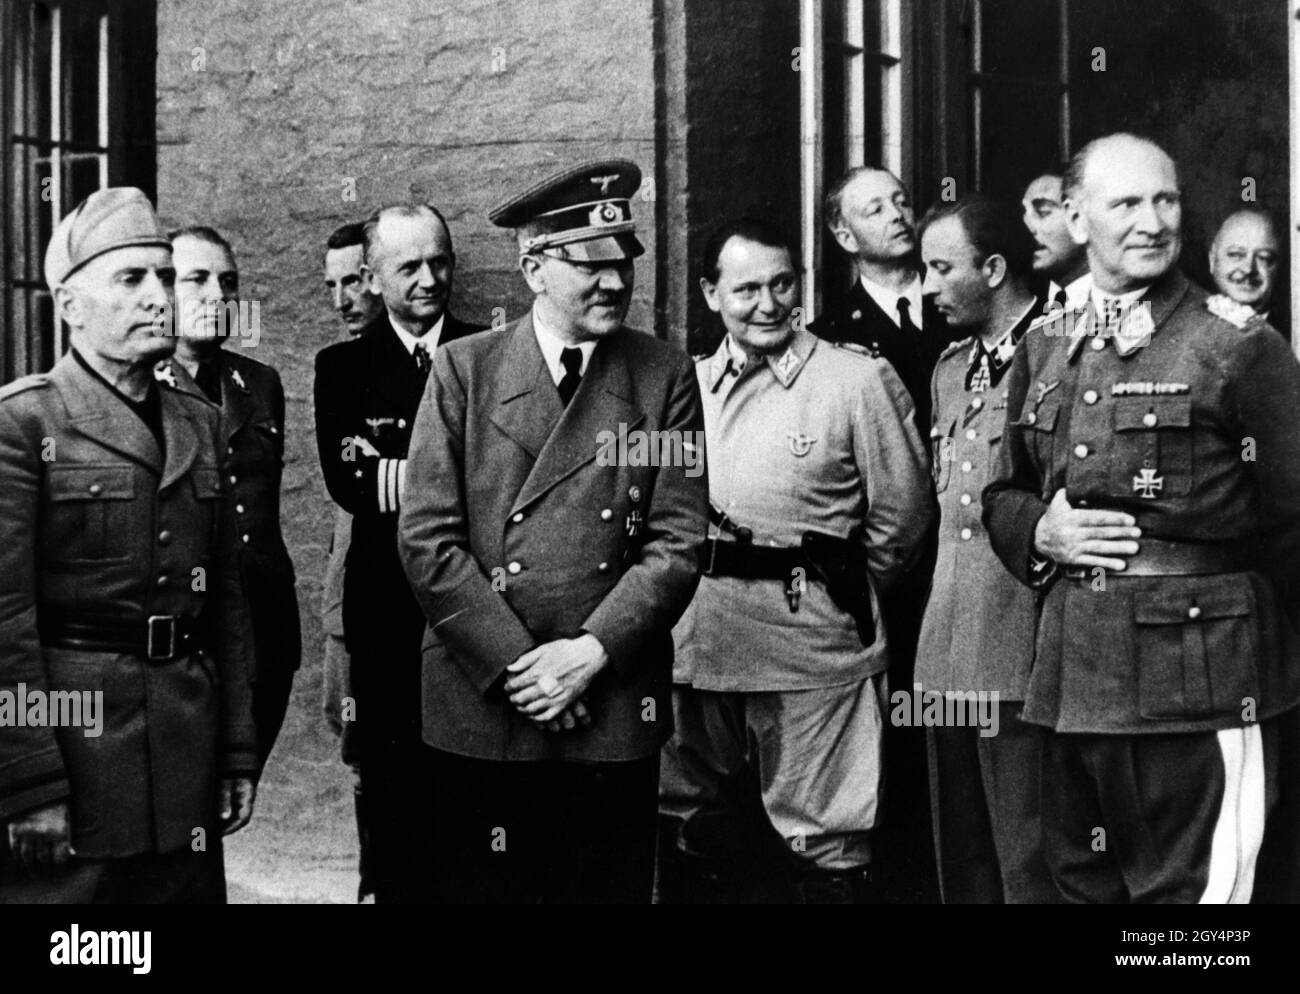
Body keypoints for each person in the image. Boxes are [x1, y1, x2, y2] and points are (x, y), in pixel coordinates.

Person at [983, 133, 1300, 903]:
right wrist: (1042, 533)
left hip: (1202, 682)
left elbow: (1294, 519)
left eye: (1166, 200)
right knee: (1081, 888)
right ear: (1076, 217)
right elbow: (1004, 495)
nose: (1152, 221)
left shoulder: (1237, 345)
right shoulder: (1048, 343)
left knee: (1198, 921)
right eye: (1127, 202)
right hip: (1072, 684)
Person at [398, 159, 708, 904]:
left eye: (623, 263)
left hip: (607, 702)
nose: (614, 283)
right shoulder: (462, 372)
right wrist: (522, 668)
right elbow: (427, 541)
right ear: (534, 269)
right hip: (484, 700)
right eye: (589, 265)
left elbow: (677, 540)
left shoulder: (661, 377)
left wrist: (588, 655)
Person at [0, 187, 258, 903]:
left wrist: (237, 750)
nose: (160, 297)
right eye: (131, 279)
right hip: (77, 756)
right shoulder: (25, 423)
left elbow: (228, 606)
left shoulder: (199, 420)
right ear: (71, 305)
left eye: (165, 277)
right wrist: (27, 782)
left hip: (184, 747)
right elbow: (5, 622)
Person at [664, 218, 931, 904]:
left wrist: (831, 594)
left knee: (826, 839)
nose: (768, 303)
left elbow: (902, 520)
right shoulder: (686, 385)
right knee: (695, 823)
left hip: (813, 650)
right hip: (700, 647)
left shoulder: (855, 380)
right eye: (747, 288)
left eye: (783, 284)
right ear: (710, 294)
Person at [313, 203, 484, 903]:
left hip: (477, 606)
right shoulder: (344, 367)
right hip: (385, 611)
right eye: (408, 266)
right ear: (374, 278)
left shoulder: (488, 353)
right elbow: (353, 482)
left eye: (438, 261)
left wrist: (412, 473)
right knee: (389, 788)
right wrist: (466, 478)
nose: (428, 278)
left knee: (473, 786)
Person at [811, 165, 951, 902]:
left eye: (902, 199)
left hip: (966, 565)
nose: (899, 214)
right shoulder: (829, 338)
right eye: (876, 208)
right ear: (843, 234)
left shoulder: (961, 308)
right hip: (887, 580)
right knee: (889, 750)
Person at [915, 195, 1054, 903]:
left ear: (994, 268)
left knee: (1029, 862)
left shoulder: (1061, 353)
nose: (928, 287)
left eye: (942, 268)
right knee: (963, 864)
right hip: (946, 655)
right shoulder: (949, 368)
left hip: (1023, 656)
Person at [156, 225, 301, 767]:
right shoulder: (142, 387)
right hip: (188, 623)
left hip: (264, 623)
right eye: (197, 280)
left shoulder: (259, 383)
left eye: (228, 282)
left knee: (241, 779)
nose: (218, 296)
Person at [319, 221, 379, 900]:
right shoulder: (339, 370)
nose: (343, 298)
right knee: (362, 751)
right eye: (331, 285)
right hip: (355, 597)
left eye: (355, 279)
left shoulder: (457, 357)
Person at [1207, 208, 1284, 334]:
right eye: (1236, 254)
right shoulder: (1189, 324)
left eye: (1263, 258)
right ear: (1212, 260)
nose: (1248, 269)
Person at [1022, 169, 1089, 306]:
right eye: (1025, 216)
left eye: (1043, 212)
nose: (1029, 228)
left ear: (1079, 219)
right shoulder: (1034, 310)